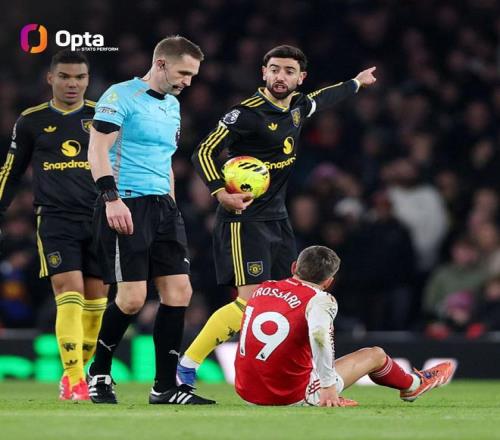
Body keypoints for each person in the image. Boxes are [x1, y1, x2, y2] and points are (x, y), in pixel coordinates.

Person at [178, 45, 377, 385]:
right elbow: (204, 151)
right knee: (250, 304)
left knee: (291, 299)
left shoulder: (297, 107)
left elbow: (322, 99)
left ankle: (295, 375)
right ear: (264, 73)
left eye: (288, 71)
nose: (280, 76)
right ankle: (186, 366)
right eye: (274, 69)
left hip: (278, 219)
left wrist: (356, 83)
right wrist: (220, 192)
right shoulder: (245, 114)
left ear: (301, 78)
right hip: (244, 220)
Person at [86, 35, 214, 405]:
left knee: (180, 293)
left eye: (192, 75)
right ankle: (99, 371)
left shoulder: (172, 105)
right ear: (160, 64)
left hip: (163, 207)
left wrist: (171, 204)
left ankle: (164, 387)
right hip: (126, 203)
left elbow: (165, 160)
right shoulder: (119, 96)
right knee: (131, 299)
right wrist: (111, 199)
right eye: (183, 73)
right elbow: (97, 149)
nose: (188, 81)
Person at [0, 50, 108, 400]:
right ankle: (76, 380)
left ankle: (73, 372)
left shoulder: (103, 117)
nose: (72, 84)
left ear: (87, 80)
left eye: (79, 77)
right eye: (64, 76)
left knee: (97, 302)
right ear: (50, 78)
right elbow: (11, 172)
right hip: (55, 219)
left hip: (100, 217)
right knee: (69, 292)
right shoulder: (31, 121)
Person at [235, 246, 454, 406]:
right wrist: (328, 387)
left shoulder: (264, 287)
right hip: (287, 397)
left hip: (246, 392)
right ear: (329, 281)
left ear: (294, 267)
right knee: (375, 355)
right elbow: (319, 336)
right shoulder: (320, 299)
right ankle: (413, 385)